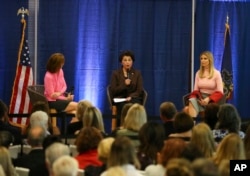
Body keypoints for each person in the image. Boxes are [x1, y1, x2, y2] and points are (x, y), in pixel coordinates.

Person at [184, 51, 224, 118]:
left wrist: (208, 99)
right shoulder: (198, 73)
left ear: (210, 60)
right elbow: (195, 91)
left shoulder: (216, 73)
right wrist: (200, 99)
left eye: (205, 58)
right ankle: (192, 124)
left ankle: (195, 124)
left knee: (187, 109)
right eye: (201, 58)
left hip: (212, 99)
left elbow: (220, 92)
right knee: (191, 102)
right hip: (200, 98)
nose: (202, 60)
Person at [110, 50, 144, 126]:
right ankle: (122, 128)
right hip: (120, 99)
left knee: (134, 105)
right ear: (121, 62)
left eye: (129, 60)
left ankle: (136, 128)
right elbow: (113, 91)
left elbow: (139, 90)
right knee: (123, 106)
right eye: (125, 60)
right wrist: (124, 85)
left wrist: (131, 97)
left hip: (133, 98)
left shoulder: (137, 73)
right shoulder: (116, 74)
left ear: (132, 62)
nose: (127, 62)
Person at [44, 53, 78, 120]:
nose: (62, 65)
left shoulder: (60, 71)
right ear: (56, 64)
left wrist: (59, 93)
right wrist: (65, 98)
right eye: (61, 63)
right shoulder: (48, 76)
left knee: (76, 113)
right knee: (79, 107)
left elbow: (64, 86)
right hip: (52, 101)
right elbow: (52, 96)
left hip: (60, 98)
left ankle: (71, 128)